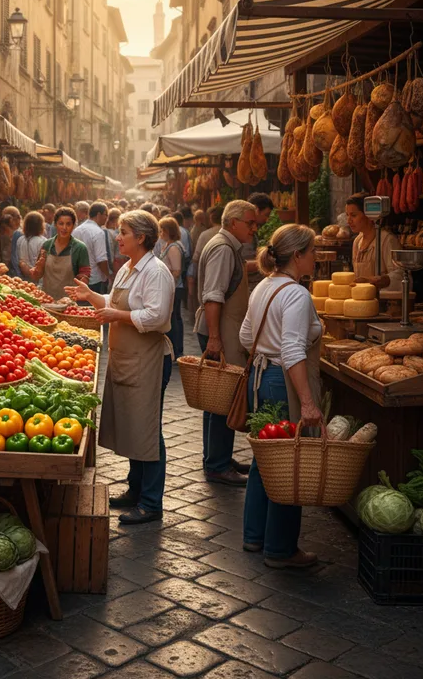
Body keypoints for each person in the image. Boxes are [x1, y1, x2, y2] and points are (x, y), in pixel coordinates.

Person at [66, 210, 175, 524]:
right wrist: (92, 297)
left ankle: (151, 503)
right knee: (132, 426)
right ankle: (135, 489)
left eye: (123, 232)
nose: (117, 237)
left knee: (148, 430)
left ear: (140, 237)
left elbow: (157, 316)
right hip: (128, 358)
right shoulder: (129, 268)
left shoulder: (156, 272)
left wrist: (118, 316)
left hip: (148, 360)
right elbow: (115, 302)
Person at [239, 224, 321, 569]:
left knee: (264, 460)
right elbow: (292, 351)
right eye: (313, 251)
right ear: (298, 256)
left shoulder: (264, 287)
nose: (317, 258)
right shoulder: (297, 295)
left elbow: (246, 335)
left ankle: (254, 536)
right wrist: (307, 401)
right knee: (289, 465)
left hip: (260, 378)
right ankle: (281, 548)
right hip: (280, 382)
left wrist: (265, 356)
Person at [194, 200, 258, 487]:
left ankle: (217, 457)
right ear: (233, 223)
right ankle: (217, 464)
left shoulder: (227, 246)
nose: (255, 229)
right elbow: (213, 296)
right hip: (222, 331)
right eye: (250, 223)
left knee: (217, 399)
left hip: (225, 330)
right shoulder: (222, 248)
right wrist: (216, 337)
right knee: (224, 399)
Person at [29, 206, 90, 300]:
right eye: (61, 223)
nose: (64, 228)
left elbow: (84, 275)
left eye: (68, 224)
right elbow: (37, 276)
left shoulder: (80, 248)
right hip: (46, 300)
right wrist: (37, 270)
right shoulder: (47, 245)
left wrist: (82, 283)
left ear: (73, 226)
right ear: (55, 225)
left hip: (69, 302)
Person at [346, 193, 403, 290]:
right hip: (362, 300)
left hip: (384, 301)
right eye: (347, 215)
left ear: (368, 215)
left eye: (354, 215)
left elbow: (401, 275)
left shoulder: (387, 240)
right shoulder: (357, 241)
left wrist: (380, 280)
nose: (349, 220)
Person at [159, 216, 185, 359]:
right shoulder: (168, 245)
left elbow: (176, 270)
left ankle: (176, 349)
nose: (160, 233)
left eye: (162, 230)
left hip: (174, 288)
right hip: (170, 288)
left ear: (169, 231)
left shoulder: (173, 247)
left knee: (174, 318)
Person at [73, 202, 111, 294]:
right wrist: (108, 276)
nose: (107, 218)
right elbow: (101, 260)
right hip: (95, 280)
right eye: (106, 215)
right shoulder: (98, 232)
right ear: (99, 214)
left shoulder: (77, 230)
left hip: (79, 278)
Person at [242, 193, 275, 293]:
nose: (267, 219)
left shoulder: (252, 234)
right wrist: (267, 263)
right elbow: (242, 265)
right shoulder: (244, 233)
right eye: (266, 214)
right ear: (256, 209)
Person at [17, 211, 47, 284]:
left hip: (24, 279)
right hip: (39, 280)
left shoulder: (20, 239)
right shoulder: (43, 241)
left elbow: (19, 260)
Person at [188, 209, 208, 316]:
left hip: (195, 261)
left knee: (194, 288)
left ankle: (193, 310)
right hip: (198, 261)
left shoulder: (194, 229)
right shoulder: (201, 230)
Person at [106, 207, 127, 273]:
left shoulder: (109, 231)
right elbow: (111, 250)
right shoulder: (112, 232)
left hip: (118, 261)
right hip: (117, 261)